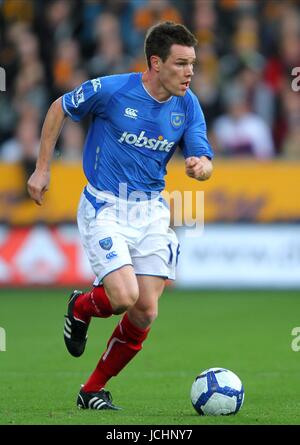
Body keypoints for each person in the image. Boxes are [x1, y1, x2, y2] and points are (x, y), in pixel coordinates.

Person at [27, 21, 214, 411]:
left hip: (151, 212)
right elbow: (61, 106)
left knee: (145, 311)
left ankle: (91, 390)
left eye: (192, 64)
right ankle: (81, 307)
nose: (189, 72)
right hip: (105, 207)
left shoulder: (188, 104)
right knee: (124, 297)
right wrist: (42, 168)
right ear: (155, 62)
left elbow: (204, 156)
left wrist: (200, 166)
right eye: (181, 64)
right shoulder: (113, 90)